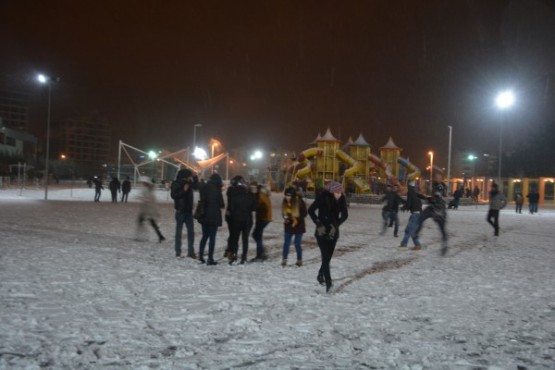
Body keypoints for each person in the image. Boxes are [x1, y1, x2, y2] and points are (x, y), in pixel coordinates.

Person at [308, 181, 348, 293]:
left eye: (341, 192)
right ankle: (329, 284)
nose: (339, 194)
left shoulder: (342, 199)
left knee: (328, 257)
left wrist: (336, 224)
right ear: (331, 191)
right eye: (337, 192)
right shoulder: (323, 197)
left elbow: (345, 215)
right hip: (321, 231)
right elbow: (310, 210)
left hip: (333, 232)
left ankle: (320, 275)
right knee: (325, 257)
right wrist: (318, 222)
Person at [414, 175, 448, 256]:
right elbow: (432, 198)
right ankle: (416, 233)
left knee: (442, 230)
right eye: (436, 177)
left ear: (441, 179)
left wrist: (427, 198)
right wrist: (424, 196)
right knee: (421, 217)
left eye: (439, 177)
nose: (436, 178)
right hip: (432, 208)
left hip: (440, 211)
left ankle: (445, 246)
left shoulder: (441, 187)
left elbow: (437, 197)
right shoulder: (435, 185)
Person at [197, 173, 225, 265]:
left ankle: (200, 256)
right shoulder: (217, 190)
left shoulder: (204, 187)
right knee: (212, 238)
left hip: (204, 216)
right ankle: (210, 258)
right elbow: (221, 204)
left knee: (204, 236)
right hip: (214, 217)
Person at [227, 176, 256, 264]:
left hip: (236, 219)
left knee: (235, 238)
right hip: (247, 220)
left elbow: (231, 208)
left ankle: (234, 255)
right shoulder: (250, 195)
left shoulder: (234, 195)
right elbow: (254, 208)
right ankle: (244, 257)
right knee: (245, 239)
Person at [170, 169, 199, 258]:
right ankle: (178, 251)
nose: (190, 177)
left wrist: (195, 177)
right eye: (189, 175)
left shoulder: (189, 182)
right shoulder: (176, 183)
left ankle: (191, 251)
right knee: (179, 232)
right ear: (185, 176)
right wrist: (184, 190)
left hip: (189, 211)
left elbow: (196, 187)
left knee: (191, 232)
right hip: (180, 211)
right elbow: (174, 195)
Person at [281, 186, 308, 267]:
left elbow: (304, 213)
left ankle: (299, 260)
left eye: (289, 196)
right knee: (286, 243)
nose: (287, 197)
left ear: (293, 196)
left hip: (298, 226)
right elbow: (284, 213)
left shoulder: (299, 202)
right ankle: (284, 259)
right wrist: (286, 218)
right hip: (288, 225)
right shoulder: (284, 202)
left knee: (297, 243)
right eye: (286, 195)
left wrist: (296, 219)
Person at [136, 176, 165, 243]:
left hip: (147, 210)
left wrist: (141, 198)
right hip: (148, 210)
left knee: (141, 222)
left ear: (145, 183)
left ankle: (142, 236)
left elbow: (148, 199)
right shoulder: (149, 189)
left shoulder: (147, 190)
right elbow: (152, 200)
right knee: (151, 224)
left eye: (143, 183)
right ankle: (160, 236)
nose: (142, 184)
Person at [251, 182, 272, 262]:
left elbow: (257, 206)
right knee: (257, 235)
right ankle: (261, 253)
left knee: (257, 235)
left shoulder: (261, 196)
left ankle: (260, 254)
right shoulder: (264, 195)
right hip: (265, 218)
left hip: (262, 218)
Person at [399, 181, 423, 250]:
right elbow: (418, 203)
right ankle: (417, 245)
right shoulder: (415, 194)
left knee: (408, 230)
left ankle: (404, 244)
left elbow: (409, 203)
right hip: (418, 214)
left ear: (409, 186)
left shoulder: (410, 193)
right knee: (412, 231)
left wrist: (404, 207)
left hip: (415, 214)